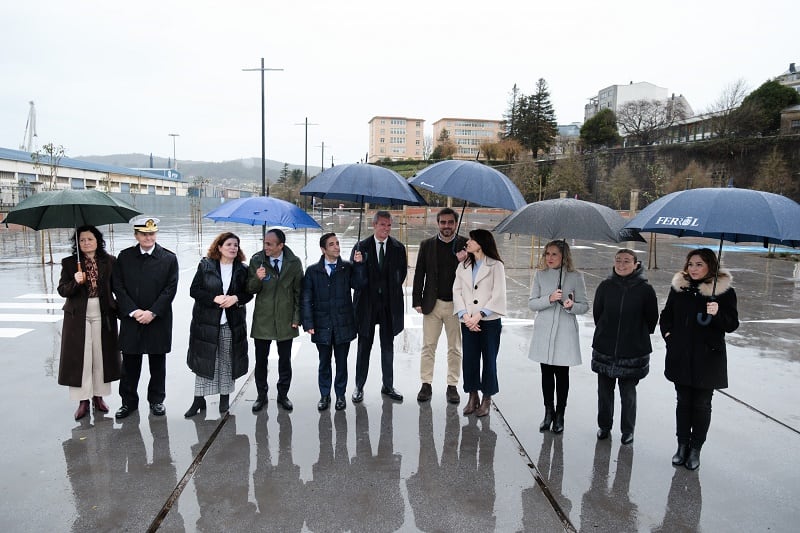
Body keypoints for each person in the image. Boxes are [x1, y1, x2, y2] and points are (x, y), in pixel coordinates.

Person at [660, 247, 738, 470]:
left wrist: (717, 314)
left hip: (707, 359)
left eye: (699, 264)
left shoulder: (723, 292)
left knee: (702, 405)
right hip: (681, 356)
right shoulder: (680, 289)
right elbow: (666, 317)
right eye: (691, 264)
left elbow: (731, 325)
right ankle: (682, 446)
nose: (693, 269)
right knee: (683, 403)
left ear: (710, 266)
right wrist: (669, 337)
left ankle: (696, 449)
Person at [112, 216, 179, 419]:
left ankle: (156, 400)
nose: (148, 237)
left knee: (157, 363)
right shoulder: (124, 257)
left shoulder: (168, 258)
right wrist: (133, 311)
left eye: (151, 233)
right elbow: (118, 286)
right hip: (132, 319)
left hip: (157, 319)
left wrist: (152, 312)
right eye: (144, 234)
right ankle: (128, 402)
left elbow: (170, 289)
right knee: (130, 364)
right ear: (136, 235)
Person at [591, 249, 658, 444]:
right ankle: (604, 426)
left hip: (632, 350)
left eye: (626, 261)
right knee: (604, 392)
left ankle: (628, 430)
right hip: (605, 347)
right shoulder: (605, 286)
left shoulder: (645, 290)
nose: (621, 264)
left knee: (628, 394)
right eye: (618, 260)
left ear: (636, 264)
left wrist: (635, 334)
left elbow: (651, 319)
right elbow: (598, 314)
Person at [185, 232, 253, 417]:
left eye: (236, 245)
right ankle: (198, 399)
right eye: (229, 244)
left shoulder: (242, 269)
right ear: (219, 247)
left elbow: (249, 293)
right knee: (204, 360)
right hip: (206, 322)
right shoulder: (206, 265)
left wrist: (235, 298)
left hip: (231, 323)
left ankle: (224, 398)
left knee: (226, 361)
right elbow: (194, 290)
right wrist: (213, 298)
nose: (233, 248)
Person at [57, 225, 121, 420]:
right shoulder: (69, 263)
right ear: (77, 244)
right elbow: (62, 290)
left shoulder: (109, 261)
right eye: (82, 240)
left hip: (103, 313)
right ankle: (83, 400)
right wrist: (75, 281)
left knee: (100, 356)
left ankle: (98, 396)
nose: (86, 243)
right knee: (81, 358)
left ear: (97, 241)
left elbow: (117, 287)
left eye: (90, 239)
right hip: (78, 315)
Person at [527, 240, 589, 433]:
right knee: (546, 374)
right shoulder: (540, 275)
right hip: (544, 331)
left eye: (554, 254)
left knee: (562, 376)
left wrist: (571, 306)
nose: (550, 258)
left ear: (564, 256)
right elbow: (532, 303)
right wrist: (549, 299)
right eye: (547, 254)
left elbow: (585, 305)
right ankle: (548, 412)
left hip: (565, 332)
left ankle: (560, 414)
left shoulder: (575, 277)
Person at [301, 233, 366, 411]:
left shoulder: (347, 267)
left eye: (337, 243)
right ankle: (324, 395)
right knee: (324, 362)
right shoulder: (313, 271)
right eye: (332, 244)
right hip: (321, 324)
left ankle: (340, 395)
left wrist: (359, 265)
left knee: (341, 362)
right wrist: (308, 323)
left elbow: (359, 285)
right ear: (323, 249)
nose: (337, 247)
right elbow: (306, 298)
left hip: (343, 322)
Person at [412, 208, 468, 404]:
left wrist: (465, 260)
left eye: (450, 222)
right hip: (432, 304)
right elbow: (419, 273)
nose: (446, 226)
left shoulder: (465, 245)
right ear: (437, 223)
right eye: (443, 222)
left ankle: (452, 386)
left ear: (455, 223)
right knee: (428, 346)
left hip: (456, 305)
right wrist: (416, 300)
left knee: (455, 348)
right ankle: (426, 384)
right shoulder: (427, 245)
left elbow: (473, 275)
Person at [351, 210, 407, 403]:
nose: (386, 228)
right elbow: (355, 282)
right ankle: (359, 386)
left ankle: (388, 385)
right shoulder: (361, 247)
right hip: (367, 306)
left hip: (388, 306)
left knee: (387, 347)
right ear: (374, 225)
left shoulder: (398, 247)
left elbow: (402, 275)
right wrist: (358, 265)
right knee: (363, 347)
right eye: (382, 224)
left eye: (389, 225)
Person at [247, 228, 303, 412]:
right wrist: (257, 278)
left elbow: (299, 293)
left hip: (286, 319)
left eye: (270, 244)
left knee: (284, 361)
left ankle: (283, 395)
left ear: (281, 245)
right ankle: (261, 395)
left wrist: (296, 318)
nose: (266, 247)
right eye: (264, 243)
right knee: (261, 361)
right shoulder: (257, 260)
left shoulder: (294, 263)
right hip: (263, 319)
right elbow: (250, 289)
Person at [452, 229, 507, 417]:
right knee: (469, 359)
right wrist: (465, 316)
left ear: (481, 243)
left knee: (489, 360)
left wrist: (479, 315)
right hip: (468, 322)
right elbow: (457, 291)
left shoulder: (496, 266)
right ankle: (472, 396)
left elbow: (498, 294)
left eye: (472, 239)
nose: (468, 242)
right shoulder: (463, 266)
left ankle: (487, 398)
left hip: (489, 322)